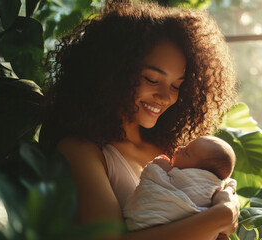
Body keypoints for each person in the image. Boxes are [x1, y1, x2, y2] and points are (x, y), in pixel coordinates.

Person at [40, 1, 239, 239]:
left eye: (177, 85)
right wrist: (222, 215)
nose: (166, 97)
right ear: (111, 72)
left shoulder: (176, 152)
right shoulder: (81, 151)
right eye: (152, 79)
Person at [124, 136, 236, 232]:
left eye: (186, 153)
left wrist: (161, 166)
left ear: (198, 171)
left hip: (152, 222)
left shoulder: (196, 181)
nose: (179, 148)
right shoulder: (220, 189)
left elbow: (162, 178)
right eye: (185, 146)